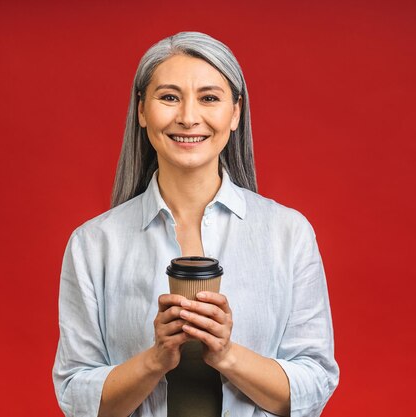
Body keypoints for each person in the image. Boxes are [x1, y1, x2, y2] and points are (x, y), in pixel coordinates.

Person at [52, 31, 339, 417]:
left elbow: (314, 385)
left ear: (235, 113)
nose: (188, 117)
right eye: (169, 97)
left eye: (209, 98)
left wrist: (227, 355)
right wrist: (155, 360)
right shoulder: (93, 244)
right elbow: (76, 396)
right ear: (141, 110)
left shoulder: (288, 234)